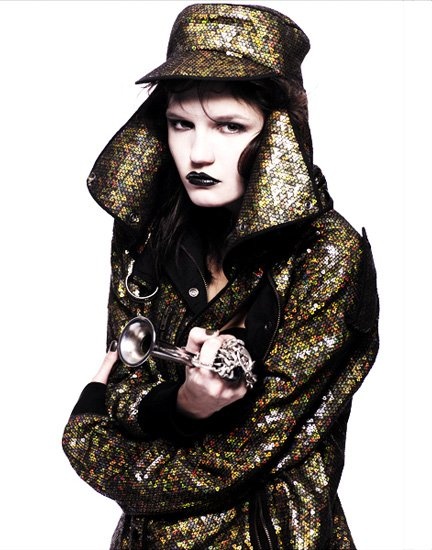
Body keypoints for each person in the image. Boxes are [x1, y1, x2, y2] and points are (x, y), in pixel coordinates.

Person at [62, 3, 379, 549]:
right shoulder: (147, 232)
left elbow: (238, 455)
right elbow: (123, 380)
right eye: (180, 123)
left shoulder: (328, 254)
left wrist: (86, 440)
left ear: (277, 134)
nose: (198, 153)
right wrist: (181, 405)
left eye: (230, 127)